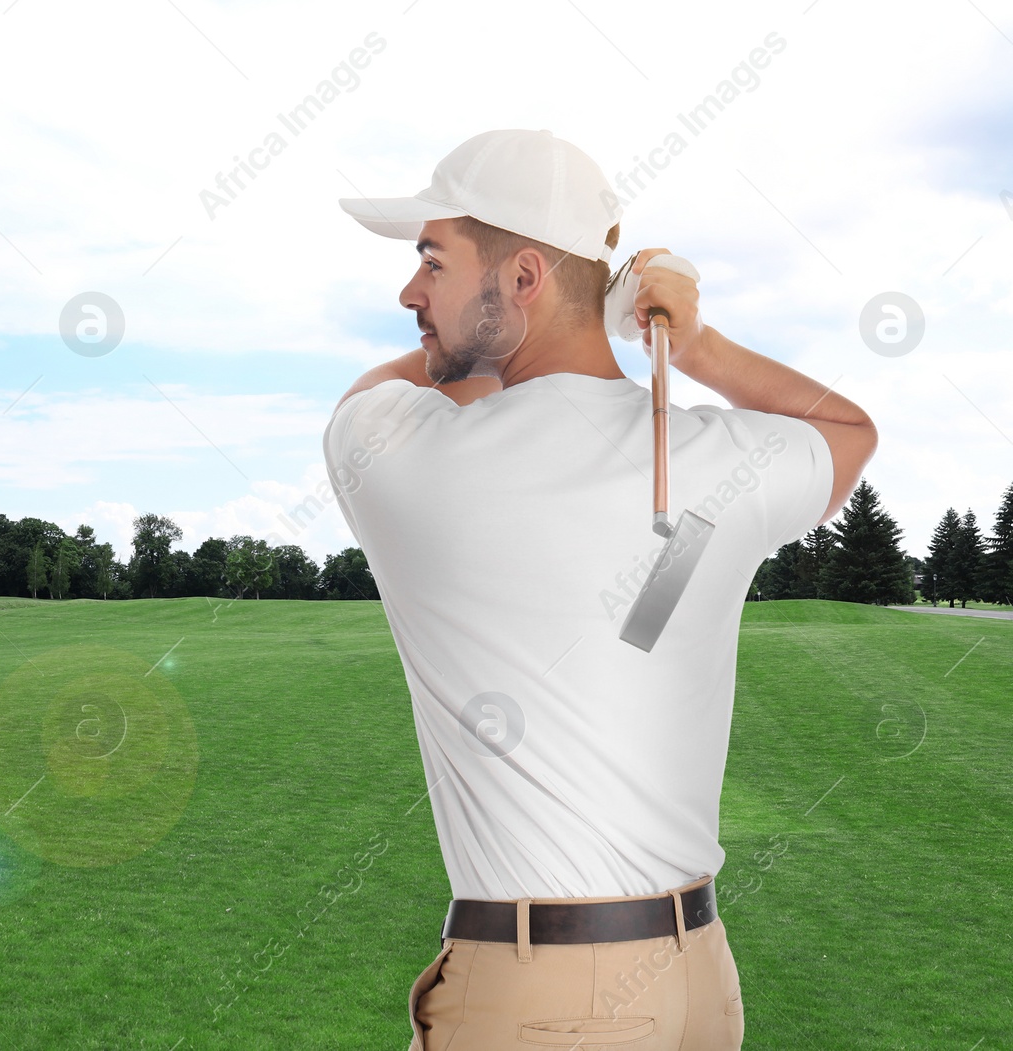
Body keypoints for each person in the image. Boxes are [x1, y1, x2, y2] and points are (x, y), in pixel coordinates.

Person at [322, 129, 877, 1050]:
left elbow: (376, 393)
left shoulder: (398, 453)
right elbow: (846, 432)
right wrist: (684, 342)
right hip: (700, 981)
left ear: (523, 278)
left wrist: (522, 340)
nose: (410, 293)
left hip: (536, 1000)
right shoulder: (710, 457)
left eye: (433, 261)